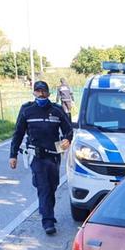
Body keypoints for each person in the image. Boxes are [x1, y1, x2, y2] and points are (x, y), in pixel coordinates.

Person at [9, 80, 73, 235]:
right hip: (36, 156)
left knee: (52, 186)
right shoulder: (27, 110)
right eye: (38, 91)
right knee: (43, 187)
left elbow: (68, 129)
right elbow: (18, 133)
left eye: (43, 91)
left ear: (48, 93)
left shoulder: (57, 110)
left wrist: (67, 139)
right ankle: (48, 221)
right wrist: (13, 155)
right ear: (34, 93)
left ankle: (46, 210)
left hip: (53, 156)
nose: (41, 94)